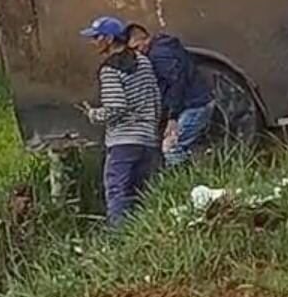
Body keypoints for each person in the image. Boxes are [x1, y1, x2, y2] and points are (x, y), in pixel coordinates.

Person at [79, 15, 162, 225]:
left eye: (96, 37)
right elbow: (156, 97)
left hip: (122, 142)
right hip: (148, 140)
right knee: (143, 193)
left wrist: (94, 115)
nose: (93, 42)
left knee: (117, 191)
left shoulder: (109, 70)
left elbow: (116, 107)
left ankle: (118, 240)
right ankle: (145, 235)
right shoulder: (143, 61)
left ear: (108, 39)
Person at [126, 22, 214, 165]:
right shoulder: (164, 48)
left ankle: (187, 181)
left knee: (171, 147)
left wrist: (172, 118)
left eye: (137, 47)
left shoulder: (159, 55)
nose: (138, 53)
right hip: (197, 102)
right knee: (183, 145)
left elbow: (176, 84)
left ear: (145, 39)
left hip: (195, 105)